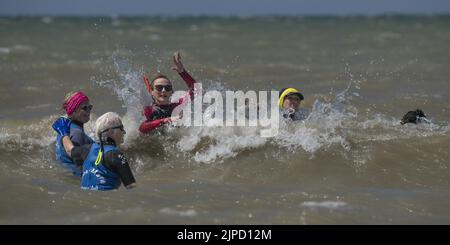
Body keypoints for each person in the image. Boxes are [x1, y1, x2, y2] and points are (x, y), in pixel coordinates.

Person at [52, 113, 136, 191]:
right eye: (121, 128)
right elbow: (131, 187)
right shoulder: (117, 155)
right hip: (105, 201)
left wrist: (64, 132)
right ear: (111, 131)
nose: (124, 132)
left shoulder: (85, 149)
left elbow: (69, 150)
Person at [139, 52, 197, 134]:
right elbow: (142, 128)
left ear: (171, 92)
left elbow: (196, 90)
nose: (163, 90)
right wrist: (164, 120)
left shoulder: (177, 105)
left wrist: (182, 72)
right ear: (151, 92)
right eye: (159, 88)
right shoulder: (149, 109)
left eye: (167, 88)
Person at [54, 91, 94, 176]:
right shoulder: (77, 134)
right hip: (77, 177)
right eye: (84, 108)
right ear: (73, 110)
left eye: (90, 107)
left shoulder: (65, 128)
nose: (88, 111)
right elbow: (81, 164)